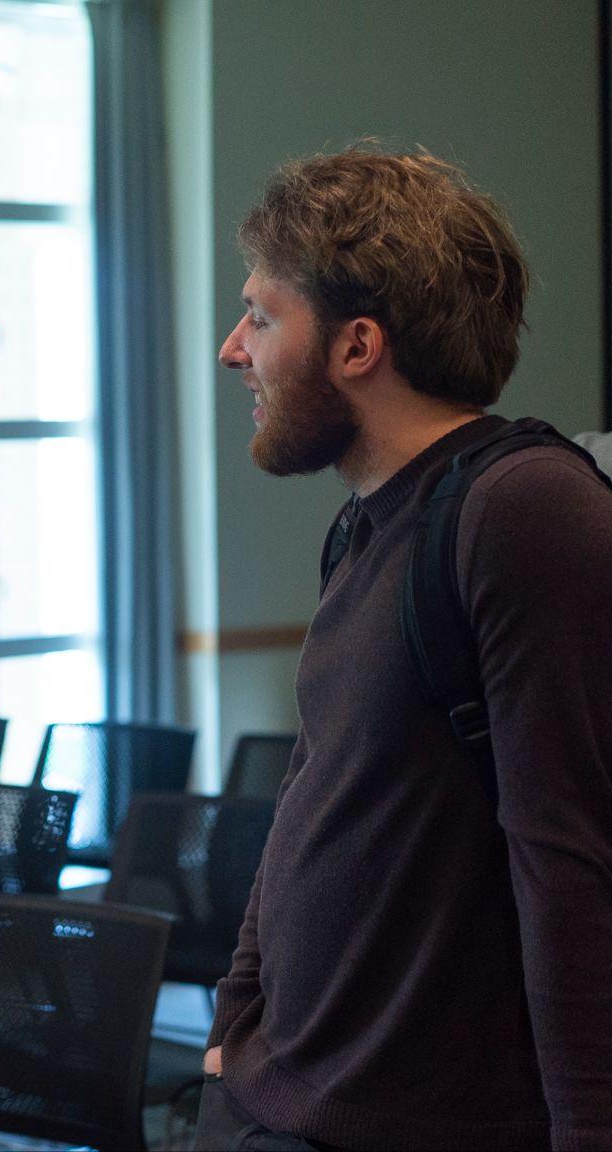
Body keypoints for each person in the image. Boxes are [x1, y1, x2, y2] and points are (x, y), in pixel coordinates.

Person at [203, 147, 612, 1150]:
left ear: (355, 347)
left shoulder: (522, 509)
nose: (232, 349)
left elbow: (566, 859)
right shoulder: (362, 522)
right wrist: (233, 1025)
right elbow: (313, 793)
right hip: (281, 1099)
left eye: (260, 316)